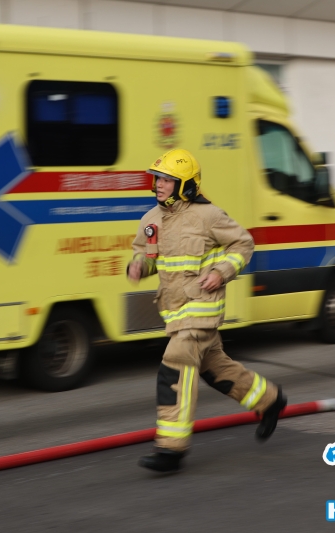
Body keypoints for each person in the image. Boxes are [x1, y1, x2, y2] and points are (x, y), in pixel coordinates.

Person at [127, 148, 287, 473]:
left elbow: (243, 243)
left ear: (185, 185)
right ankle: (270, 400)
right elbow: (147, 256)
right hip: (175, 313)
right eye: (157, 179)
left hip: (201, 309)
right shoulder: (151, 220)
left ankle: (171, 448)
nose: (158, 185)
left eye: (166, 180)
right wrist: (139, 266)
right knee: (216, 369)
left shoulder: (209, 216)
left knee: (175, 366)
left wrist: (221, 272)